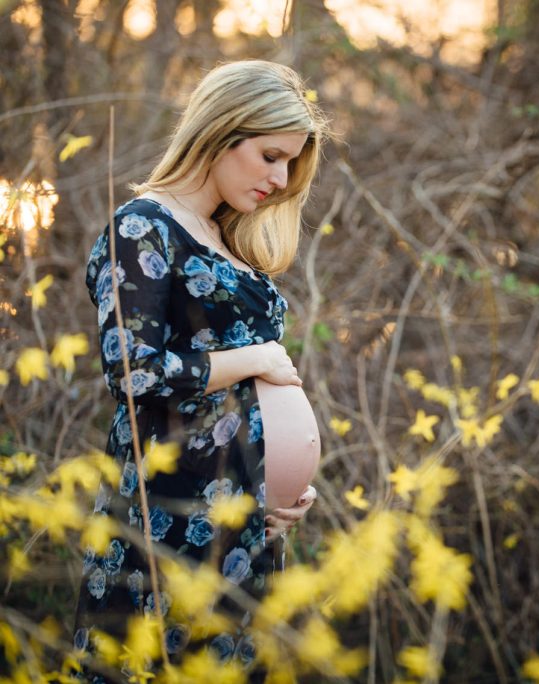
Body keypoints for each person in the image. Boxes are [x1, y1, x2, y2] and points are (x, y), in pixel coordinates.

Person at [75, 60, 331, 673]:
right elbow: (133, 375)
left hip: (247, 528)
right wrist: (259, 357)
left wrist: (286, 486)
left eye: (290, 162)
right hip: (170, 522)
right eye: (271, 155)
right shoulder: (143, 228)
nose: (281, 176)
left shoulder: (224, 237)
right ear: (221, 129)